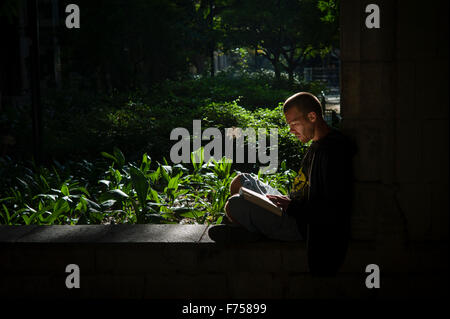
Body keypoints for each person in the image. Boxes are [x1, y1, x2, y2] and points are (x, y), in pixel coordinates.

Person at [224, 91, 356, 275]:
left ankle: (252, 229)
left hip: (300, 224)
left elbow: (331, 210)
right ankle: (253, 225)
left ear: (312, 117)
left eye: (294, 124)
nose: (291, 130)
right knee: (241, 180)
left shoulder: (333, 151)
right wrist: (288, 201)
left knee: (234, 205)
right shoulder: (317, 143)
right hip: (292, 207)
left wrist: (292, 207)